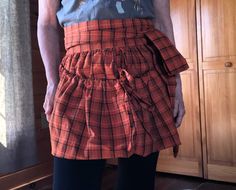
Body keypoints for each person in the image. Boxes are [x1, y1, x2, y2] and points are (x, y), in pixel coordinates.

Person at [37, 0, 189, 189]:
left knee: (138, 180)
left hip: (142, 68)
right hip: (79, 71)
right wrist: (52, 82)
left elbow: (162, 20)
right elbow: (46, 22)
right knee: (71, 180)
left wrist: (176, 82)